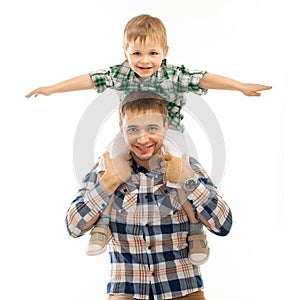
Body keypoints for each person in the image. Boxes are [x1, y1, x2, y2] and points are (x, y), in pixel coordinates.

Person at [26, 14, 270, 263]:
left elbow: (203, 78)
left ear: (165, 52)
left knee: (178, 174)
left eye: (153, 53)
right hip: (131, 132)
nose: (145, 61)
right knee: (110, 163)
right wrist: (51, 89)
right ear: (125, 52)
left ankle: (195, 228)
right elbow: (90, 80)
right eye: (137, 53)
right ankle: (103, 223)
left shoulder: (173, 75)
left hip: (170, 132)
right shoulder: (120, 74)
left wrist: (239, 85)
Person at [66, 91, 233, 300]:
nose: (143, 139)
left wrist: (188, 181)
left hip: (183, 289)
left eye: (152, 128)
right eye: (133, 129)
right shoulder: (105, 168)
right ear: (121, 129)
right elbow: (73, 227)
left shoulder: (186, 165)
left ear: (165, 126)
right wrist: (109, 182)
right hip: (127, 291)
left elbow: (223, 225)